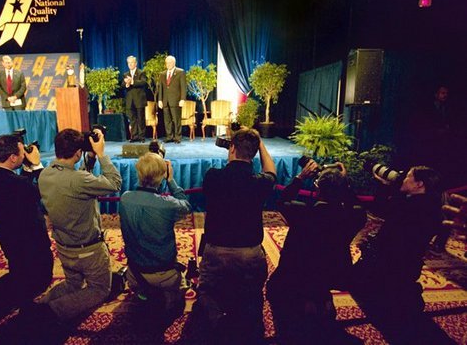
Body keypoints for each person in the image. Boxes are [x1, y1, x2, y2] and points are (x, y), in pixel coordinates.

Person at [185, 128, 276, 344]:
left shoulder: (212, 176)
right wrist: (259, 144)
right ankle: (246, 328)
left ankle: (216, 323)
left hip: (216, 251)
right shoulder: (259, 182)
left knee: (207, 292)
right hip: (250, 253)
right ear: (254, 153)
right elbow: (271, 171)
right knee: (252, 293)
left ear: (232, 147)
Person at [350, 166, 455, 344]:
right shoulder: (432, 205)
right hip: (407, 265)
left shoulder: (408, 205)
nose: (403, 179)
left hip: (387, 264)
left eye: (408, 177)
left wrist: (383, 187)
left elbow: (379, 208)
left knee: (358, 286)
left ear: (419, 184)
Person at [267, 160, 365, 344]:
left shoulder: (302, 212)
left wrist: (300, 177)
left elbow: (281, 201)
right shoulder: (352, 216)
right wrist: (345, 183)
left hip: (295, 274)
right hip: (331, 273)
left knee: (275, 290)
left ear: (318, 188)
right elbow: (359, 206)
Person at [0, 135, 53, 337]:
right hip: (29, 238)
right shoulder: (17, 184)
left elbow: (19, 184)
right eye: (22, 153)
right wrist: (37, 164)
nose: (25, 155)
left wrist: (27, 168)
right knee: (40, 276)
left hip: (7, 234)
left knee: (19, 272)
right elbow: (40, 191)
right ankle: (24, 314)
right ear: (13, 157)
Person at [37, 128, 122, 323]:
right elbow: (115, 183)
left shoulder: (45, 174)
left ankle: (39, 305)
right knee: (100, 290)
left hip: (64, 247)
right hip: (88, 250)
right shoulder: (78, 180)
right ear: (77, 153)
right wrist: (101, 154)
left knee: (72, 284)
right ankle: (49, 312)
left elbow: (78, 182)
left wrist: (90, 157)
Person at [119, 152, 192, 339]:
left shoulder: (125, 198)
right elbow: (186, 206)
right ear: (162, 176)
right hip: (164, 275)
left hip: (135, 273)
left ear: (139, 174)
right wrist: (172, 180)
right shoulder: (168, 204)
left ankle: (143, 296)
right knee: (175, 303)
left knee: (147, 296)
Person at [158, 55, 186, 144]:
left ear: (174, 63)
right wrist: (160, 100)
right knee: (167, 120)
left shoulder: (180, 72)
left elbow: (183, 87)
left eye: (170, 62)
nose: (168, 64)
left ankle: (177, 137)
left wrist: (182, 99)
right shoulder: (162, 74)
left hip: (176, 100)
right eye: (167, 63)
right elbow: (160, 88)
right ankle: (169, 136)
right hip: (165, 100)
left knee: (176, 119)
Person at [123, 55, 147, 143]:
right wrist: (127, 84)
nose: (130, 64)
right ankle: (134, 136)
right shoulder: (125, 74)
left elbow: (143, 82)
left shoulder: (141, 72)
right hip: (130, 100)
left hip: (139, 100)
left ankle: (142, 136)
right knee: (132, 119)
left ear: (135, 63)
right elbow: (122, 85)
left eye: (132, 62)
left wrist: (132, 81)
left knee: (141, 119)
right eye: (129, 63)